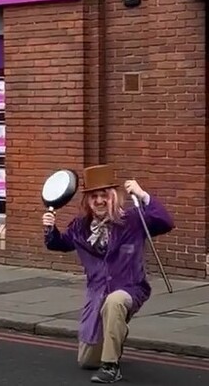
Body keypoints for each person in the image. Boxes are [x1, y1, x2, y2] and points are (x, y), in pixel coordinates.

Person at [42, 164, 174, 384]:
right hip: (97, 295)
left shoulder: (133, 220)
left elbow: (165, 222)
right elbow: (60, 244)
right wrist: (50, 229)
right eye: (94, 196)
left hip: (130, 288)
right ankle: (116, 332)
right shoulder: (80, 227)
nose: (100, 200)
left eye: (104, 195)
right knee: (87, 361)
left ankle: (111, 367)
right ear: (87, 202)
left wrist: (143, 195)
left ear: (114, 197)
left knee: (115, 302)